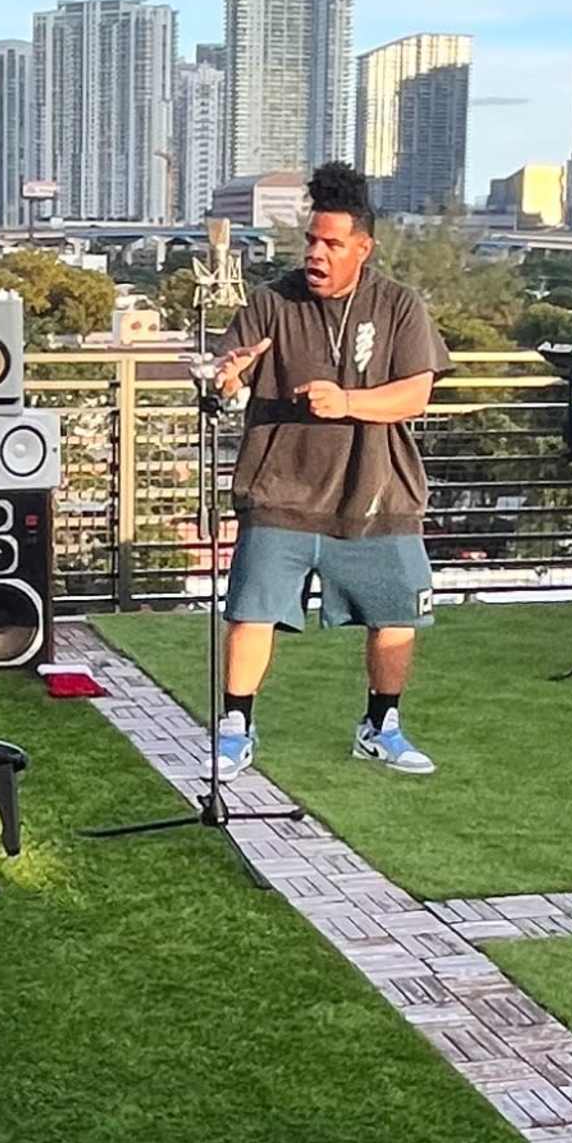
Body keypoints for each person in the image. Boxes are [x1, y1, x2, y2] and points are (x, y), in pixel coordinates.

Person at [210, 160, 443, 775]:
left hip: (378, 494)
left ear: (362, 248)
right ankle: (236, 726)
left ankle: (381, 724)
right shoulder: (269, 303)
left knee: (396, 618)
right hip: (280, 489)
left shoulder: (399, 306)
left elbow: (415, 395)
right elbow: (228, 378)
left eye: (332, 243)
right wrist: (228, 378)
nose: (317, 253)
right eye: (312, 240)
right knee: (251, 612)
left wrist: (348, 404)